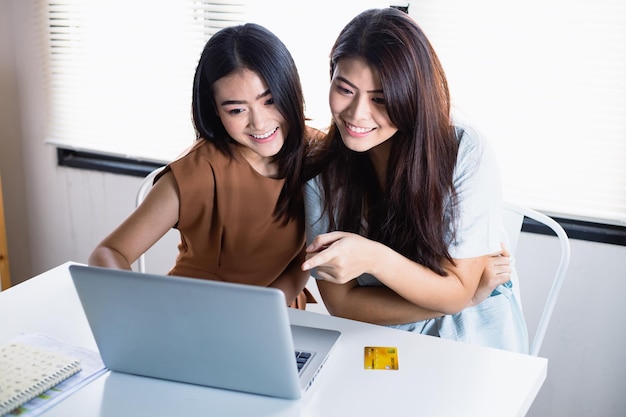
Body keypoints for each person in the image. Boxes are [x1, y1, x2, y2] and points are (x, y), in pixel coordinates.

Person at [301, 8, 528, 353]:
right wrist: (463, 296)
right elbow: (343, 305)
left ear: (413, 94)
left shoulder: (464, 150)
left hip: (470, 336)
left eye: (380, 98)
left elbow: (456, 294)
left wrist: (374, 259)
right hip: (381, 341)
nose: (357, 113)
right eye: (345, 89)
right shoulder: (322, 174)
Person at [89, 23, 317, 309]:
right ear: (215, 110)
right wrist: (144, 314)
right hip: (196, 313)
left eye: (269, 100)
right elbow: (108, 252)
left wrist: (270, 304)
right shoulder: (198, 173)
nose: (259, 122)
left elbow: (309, 254)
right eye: (236, 109)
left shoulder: (319, 153)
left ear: (290, 88)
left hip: (279, 314)